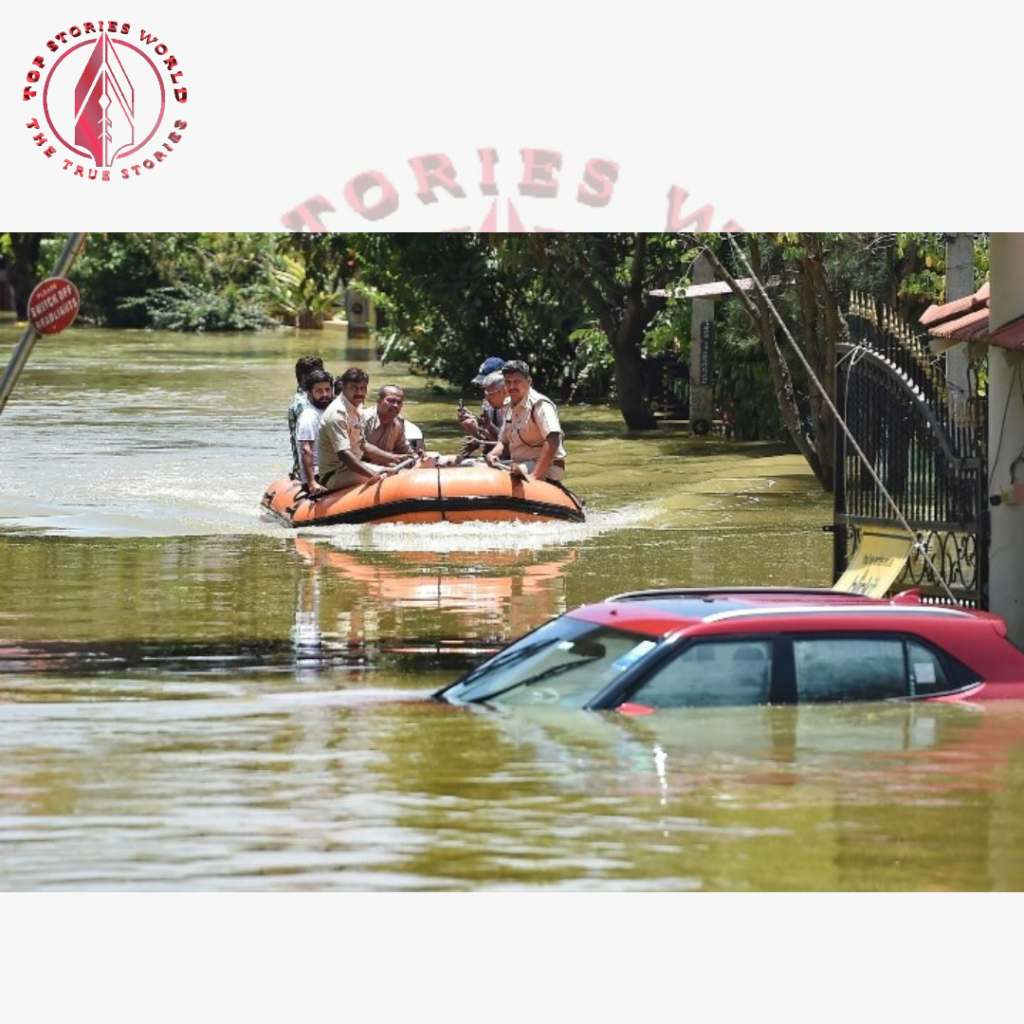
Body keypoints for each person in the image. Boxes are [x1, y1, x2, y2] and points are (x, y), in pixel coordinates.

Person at [317, 367, 399, 493]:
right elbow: (344, 455)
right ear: (344, 388)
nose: (359, 393)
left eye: (363, 388)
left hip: (351, 469)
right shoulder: (337, 414)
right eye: (354, 388)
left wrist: (394, 458)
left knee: (394, 470)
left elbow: (363, 445)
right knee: (387, 479)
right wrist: (372, 474)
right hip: (334, 475)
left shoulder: (357, 408)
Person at [484, 360, 566, 482]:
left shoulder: (540, 405)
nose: (512, 387)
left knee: (510, 475)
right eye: (508, 382)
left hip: (547, 466)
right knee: (481, 467)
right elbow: (504, 442)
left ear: (528, 382)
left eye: (517, 382)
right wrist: (492, 455)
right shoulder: (509, 405)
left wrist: (534, 476)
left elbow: (553, 440)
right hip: (519, 462)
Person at [293, 369, 334, 494]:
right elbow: (306, 449)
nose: (325, 394)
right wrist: (311, 483)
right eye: (319, 391)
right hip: (318, 473)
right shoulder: (309, 416)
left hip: (331, 468)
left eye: (327, 390)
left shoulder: (331, 412)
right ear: (309, 394)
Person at [288, 354, 324, 478]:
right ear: (304, 377)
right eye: (317, 374)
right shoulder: (302, 404)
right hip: (310, 470)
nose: (321, 377)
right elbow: (306, 446)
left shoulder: (317, 399)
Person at [361, 385, 416, 466]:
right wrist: (391, 457)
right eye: (391, 401)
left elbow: (403, 448)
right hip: (360, 467)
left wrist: (416, 457)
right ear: (379, 401)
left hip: (387, 468)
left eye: (399, 402)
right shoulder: (362, 419)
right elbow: (360, 447)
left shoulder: (399, 422)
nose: (395, 405)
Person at [458, 371, 508, 455]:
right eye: (485, 392)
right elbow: (497, 439)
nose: (487, 399)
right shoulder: (491, 406)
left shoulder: (515, 409)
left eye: (490, 393)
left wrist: (479, 439)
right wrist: (476, 427)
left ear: (504, 390)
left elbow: (508, 444)